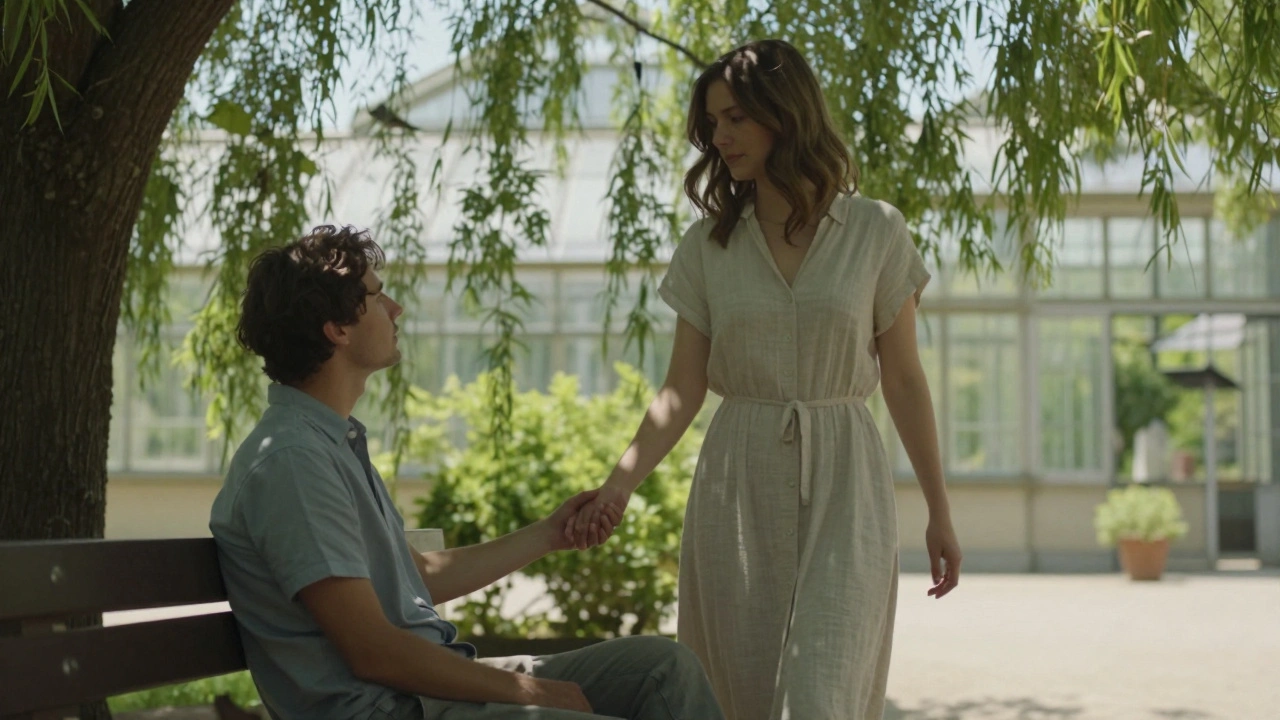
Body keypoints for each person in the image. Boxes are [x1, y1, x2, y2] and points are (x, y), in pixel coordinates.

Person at [568, 39, 963, 719]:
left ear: (786, 114)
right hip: (737, 484)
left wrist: (940, 511)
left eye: (735, 118)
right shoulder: (708, 246)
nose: (719, 138)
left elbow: (903, 380)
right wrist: (618, 485)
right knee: (740, 697)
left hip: (846, 482)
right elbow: (680, 390)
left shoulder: (876, 231)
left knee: (821, 694)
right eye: (711, 123)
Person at [210, 226, 726, 720]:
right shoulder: (293, 462)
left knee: (664, 668)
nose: (395, 308)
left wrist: (550, 533)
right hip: (392, 707)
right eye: (376, 296)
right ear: (337, 329)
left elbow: (419, 578)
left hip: (423, 693)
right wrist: (531, 692)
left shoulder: (329, 443)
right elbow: (373, 652)